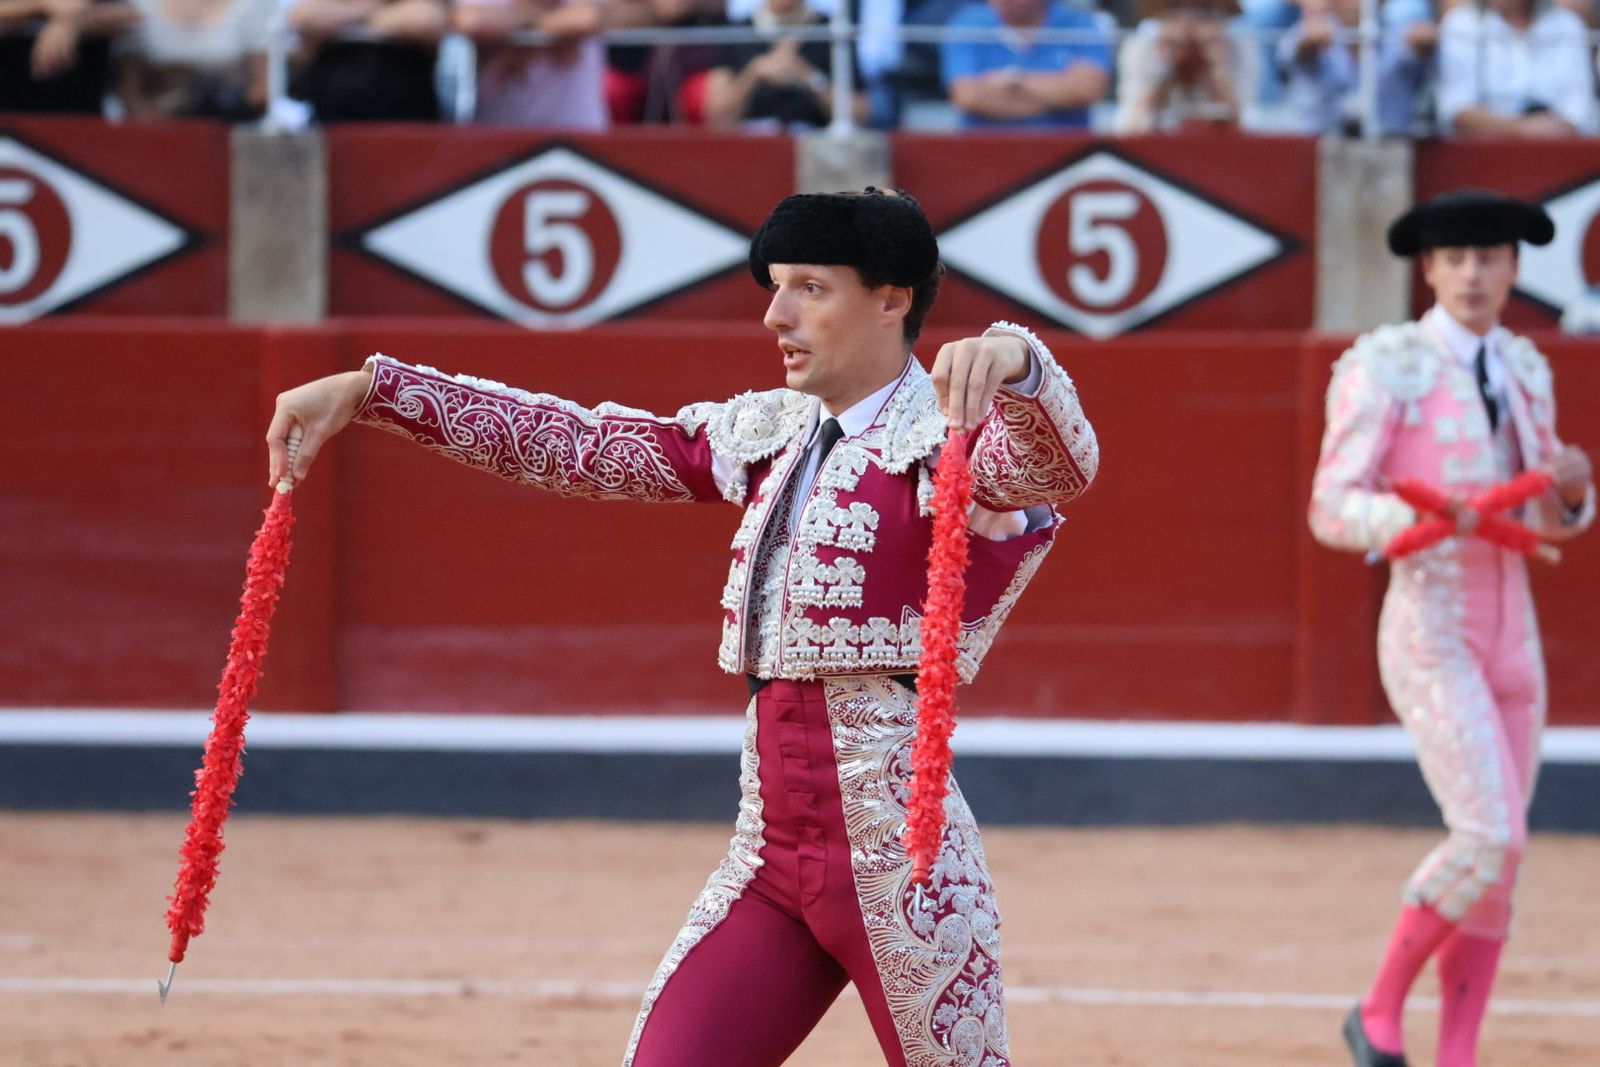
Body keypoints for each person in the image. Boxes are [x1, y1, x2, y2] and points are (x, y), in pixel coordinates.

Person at [265, 188, 1098, 1066]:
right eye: (776, 287)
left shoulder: (952, 439)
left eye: (811, 288)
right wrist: (376, 391)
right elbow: (583, 448)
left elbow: (1059, 466)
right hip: (771, 861)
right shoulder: (773, 432)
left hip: (907, 874)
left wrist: (1019, 360)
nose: (776, 315)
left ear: (891, 299)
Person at [1309, 189, 1594, 1067]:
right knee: (1486, 836)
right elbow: (1331, 504)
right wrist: (1419, 519)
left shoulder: (1524, 368)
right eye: (1457, 259)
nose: (1474, 273)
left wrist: (1572, 492)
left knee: (1504, 858)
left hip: (1515, 635)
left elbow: (1545, 511)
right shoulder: (1387, 364)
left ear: (1513, 268)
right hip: (1432, 624)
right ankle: (1377, 1007)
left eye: (1489, 257)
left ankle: (1457, 1055)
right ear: (1429, 269)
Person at [940, 0, 1113, 130]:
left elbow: (1086, 89)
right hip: (984, 152)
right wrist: (1057, 93)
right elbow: (969, 96)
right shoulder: (968, 22)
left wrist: (1014, 81)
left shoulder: (1078, 22)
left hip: (1067, 152)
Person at [1274, 0, 1438, 136]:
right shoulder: (1308, 30)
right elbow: (1297, 50)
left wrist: (1425, 42)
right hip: (1315, 147)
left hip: (1391, 148)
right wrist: (1310, 42)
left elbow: (1422, 47)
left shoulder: (1399, 34)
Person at [1437, 0, 1597, 137]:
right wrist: (1523, 129)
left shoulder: (1567, 24)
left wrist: (1549, 129)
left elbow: (1579, 109)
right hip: (1482, 153)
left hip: (1559, 150)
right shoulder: (1462, 24)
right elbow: (1457, 109)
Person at [701, 0, 867, 129]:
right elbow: (717, 117)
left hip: (813, 147)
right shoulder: (737, 32)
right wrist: (754, 73)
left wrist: (810, 77)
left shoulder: (833, 32)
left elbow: (860, 116)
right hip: (751, 146)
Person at [453, 0, 609, 129]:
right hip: (499, 133)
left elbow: (589, 18)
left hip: (578, 131)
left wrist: (513, 23)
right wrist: (546, 18)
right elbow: (470, 21)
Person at [287, 0, 449, 122]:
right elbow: (305, 18)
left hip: (406, 115)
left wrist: (348, 20)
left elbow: (426, 20)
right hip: (331, 117)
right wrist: (373, 12)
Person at [116, 0, 274, 120]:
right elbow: (128, 90)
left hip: (229, 127)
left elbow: (262, 90)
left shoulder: (254, 5)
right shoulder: (139, 5)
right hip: (156, 129)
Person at [1113, 0, 1253, 134]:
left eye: (1203, 10)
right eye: (1174, 9)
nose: (1187, 22)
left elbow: (1249, 127)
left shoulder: (1239, 49)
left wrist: (1219, 71)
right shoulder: (1141, 49)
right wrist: (1163, 69)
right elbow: (1130, 127)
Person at [0, 0, 138, 113]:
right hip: (11, 113)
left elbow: (130, 15)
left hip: (79, 114)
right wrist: (38, 7)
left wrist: (71, 23)